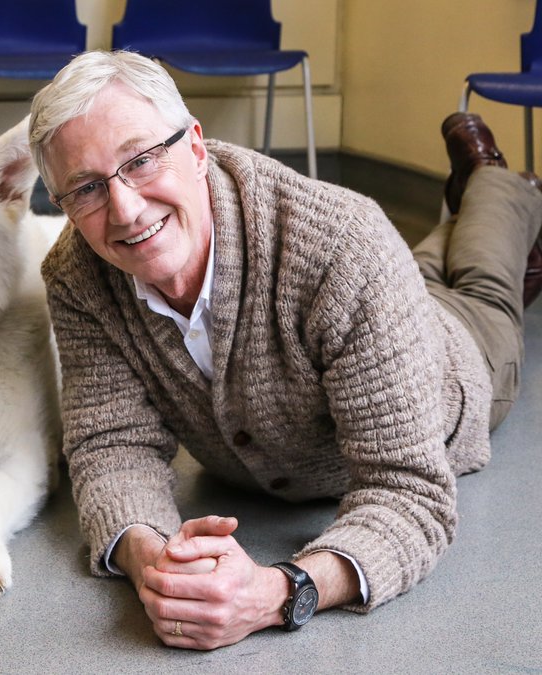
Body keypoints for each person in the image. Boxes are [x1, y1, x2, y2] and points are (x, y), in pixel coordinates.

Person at [28, 49, 542, 650]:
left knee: (487, 284)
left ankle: (500, 185)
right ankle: (473, 206)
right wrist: (153, 559)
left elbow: (410, 492)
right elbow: (111, 444)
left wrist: (279, 592)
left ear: (195, 145)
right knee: (419, 266)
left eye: (141, 160)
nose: (125, 208)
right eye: (86, 188)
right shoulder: (76, 272)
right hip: (379, 298)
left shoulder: (344, 245)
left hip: (461, 361)